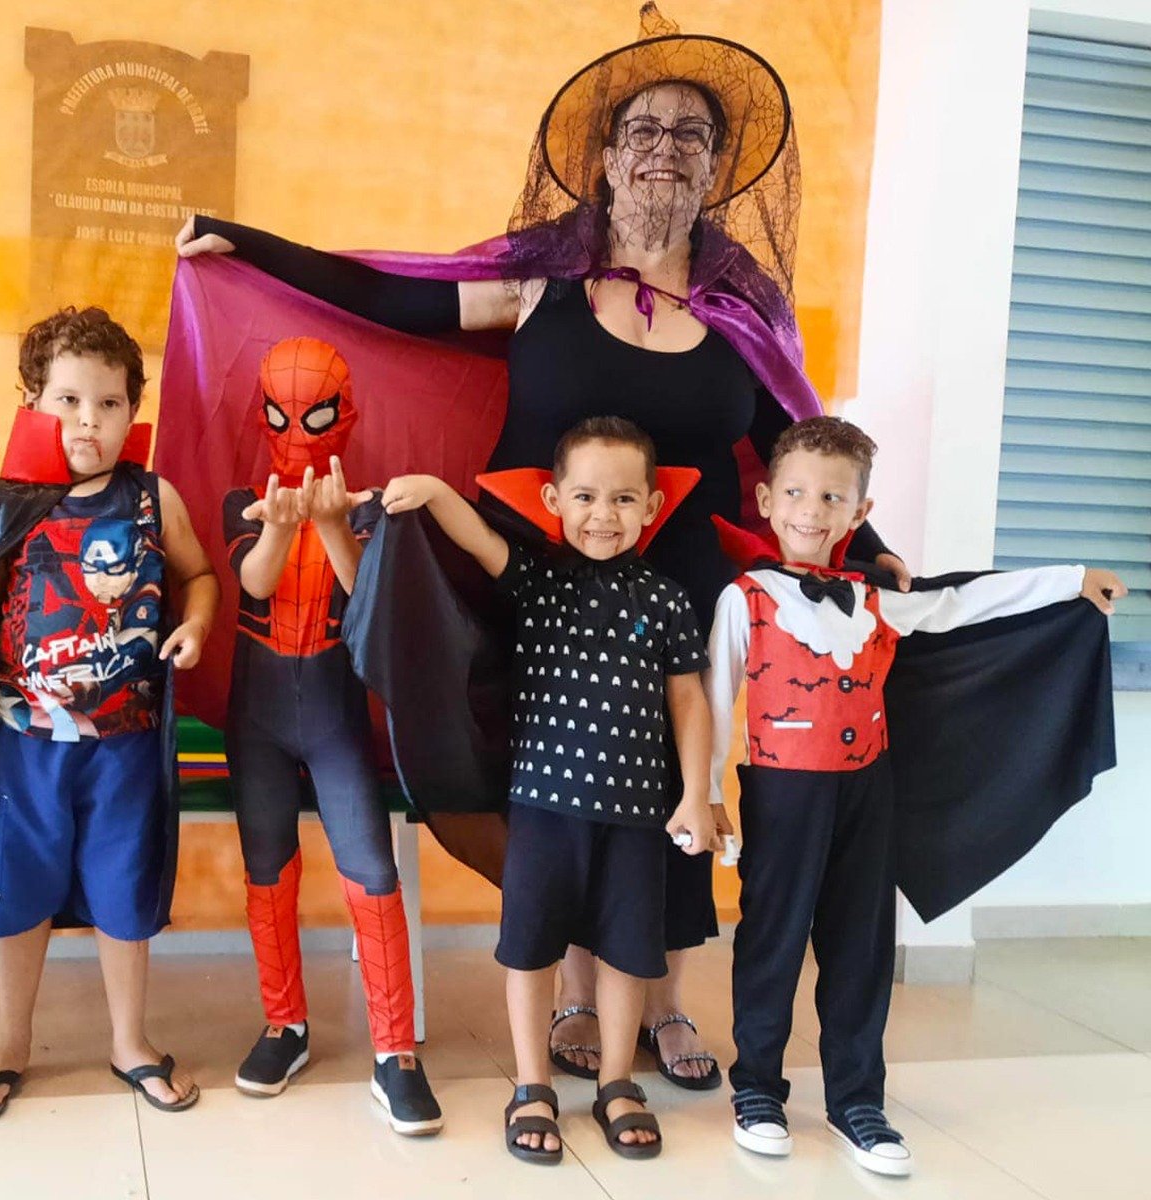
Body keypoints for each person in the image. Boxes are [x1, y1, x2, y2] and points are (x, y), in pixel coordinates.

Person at [166, 3, 905, 1088]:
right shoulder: (541, 277)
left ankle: (663, 1004)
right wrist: (255, 246)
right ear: (604, 159)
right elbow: (394, 296)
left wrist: (867, 543)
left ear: (717, 167)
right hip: (536, 580)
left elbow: (792, 435)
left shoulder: (742, 305)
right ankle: (571, 994)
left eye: (690, 135)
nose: (664, 150)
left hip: (678, 584)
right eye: (643, 130)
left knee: (670, 780)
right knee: (555, 783)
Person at [705, 417, 1125, 1177]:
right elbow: (714, 699)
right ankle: (758, 1088)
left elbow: (965, 601)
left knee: (860, 946)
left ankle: (856, 1097)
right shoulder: (745, 599)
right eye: (795, 493)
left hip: (869, 793)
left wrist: (1070, 580)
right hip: (781, 794)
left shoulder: (878, 599)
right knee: (772, 939)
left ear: (859, 514)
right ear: (766, 500)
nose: (810, 510)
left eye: (832, 497)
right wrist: (706, 795)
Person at [0, 307, 218, 1118]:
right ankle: (11, 1038)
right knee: (19, 885)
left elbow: (199, 575)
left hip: (125, 744)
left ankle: (129, 1039)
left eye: (107, 403)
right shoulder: (11, 501)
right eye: (67, 400)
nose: (87, 420)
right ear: (33, 402)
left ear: (132, 410)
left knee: (124, 889)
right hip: (25, 743)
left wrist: (198, 624)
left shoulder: (153, 498)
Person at [382, 417, 717, 1163]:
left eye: (624, 499)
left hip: (637, 816)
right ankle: (532, 1084)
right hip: (541, 811)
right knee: (531, 950)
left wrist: (696, 793)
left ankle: (618, 1082)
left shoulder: (666, 600)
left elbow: (689, 701)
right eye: (586, 497)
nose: (604, 515)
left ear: (652, 506)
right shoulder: (537, 581)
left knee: (629, 955)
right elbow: (476, 538)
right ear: (553, 501)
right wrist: (433, 489)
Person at [224, 337, 442, 1133]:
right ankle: (284, 1023)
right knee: (267, 870)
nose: (296, 432)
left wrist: (329, 522)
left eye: (313, 415)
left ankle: (395, 1051)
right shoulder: (243, 500)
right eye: (280, 415)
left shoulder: (367, 509)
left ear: (344, 414)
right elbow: (254, 580)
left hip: (334, 709)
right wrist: (285, 525)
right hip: (258, 716)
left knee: (371, 874)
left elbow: (363, 595)